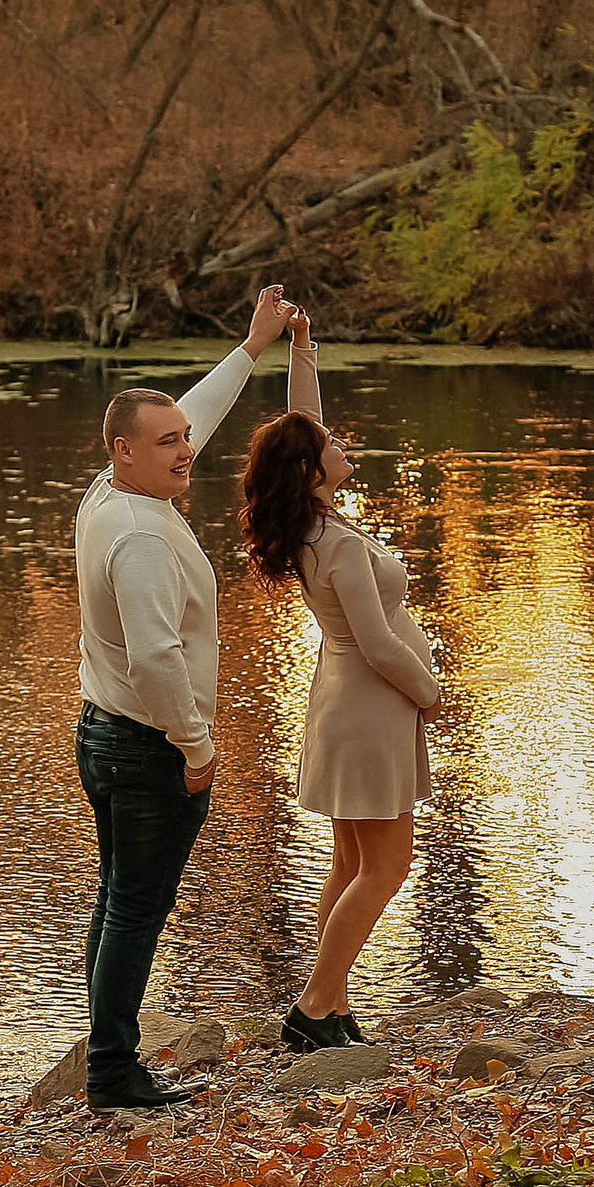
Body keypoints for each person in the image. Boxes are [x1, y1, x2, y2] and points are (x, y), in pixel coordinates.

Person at [73, 283, 299, 1112]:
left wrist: (250, 346)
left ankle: (103, 1049)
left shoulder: (111, 489)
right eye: (166, 443)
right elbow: (159, 657)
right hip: (145, 746)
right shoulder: (136, 537)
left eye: (184, 439)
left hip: (104, 732)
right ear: (125, 452)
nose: (185, 450)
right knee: (137, 904)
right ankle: (110, 1069)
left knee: (117, 895)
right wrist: (197, 748)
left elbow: (189, 411)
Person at [238, 307, 444, 1051]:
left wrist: (301, 349)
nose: (340, 441)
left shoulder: (311, 525)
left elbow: (300, 420)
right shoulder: (339, 547)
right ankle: (313, 1007)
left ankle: (334, 1009)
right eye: (331, 444)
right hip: (370, 708)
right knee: (386, 869)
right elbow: (379, 641)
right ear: (310, 469)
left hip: (342, 705)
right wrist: (431, 692)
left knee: (352, 863)